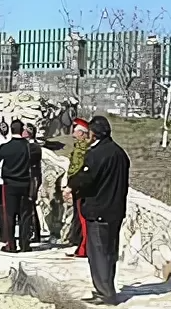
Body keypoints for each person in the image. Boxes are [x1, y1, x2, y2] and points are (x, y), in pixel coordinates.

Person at [67, 116, 130, 306]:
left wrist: (71, 185)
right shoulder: (120, 153)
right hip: (115, 210)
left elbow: (86, 179)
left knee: (99, 254)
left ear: (94, 133)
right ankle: (106, 287)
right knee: (110, 252)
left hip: (98, 209)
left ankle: (105, 293)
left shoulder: (97, 154)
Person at [0, 119, 33, 253]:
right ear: (22, 131)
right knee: (25, 215)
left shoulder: (6, 146)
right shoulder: (28, 146)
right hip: (25, 183)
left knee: (9, 215)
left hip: (9, 184)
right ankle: (25, 244)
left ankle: (11, 245)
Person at [63, 118, 90, 258]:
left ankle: (83, 247)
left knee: (81, 218)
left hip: (79, 187)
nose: (73, 132)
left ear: (82, 133)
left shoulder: (82, 148)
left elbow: (77, 169)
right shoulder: (78, 146)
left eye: (75, 130)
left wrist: (70, 186)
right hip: (76, 186)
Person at [23, 123, 43, 243]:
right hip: (27, 177)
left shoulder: (34, 146)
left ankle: (35, 232)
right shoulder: (26, 145)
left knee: (31, 205)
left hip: (33, 177)